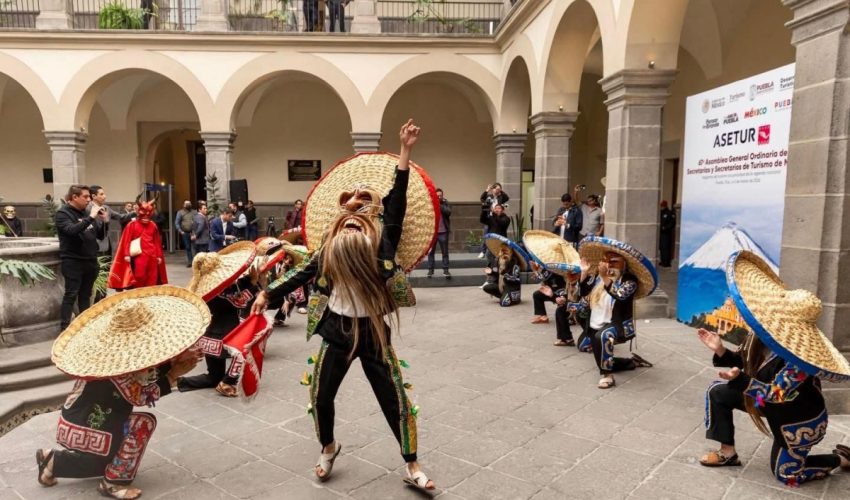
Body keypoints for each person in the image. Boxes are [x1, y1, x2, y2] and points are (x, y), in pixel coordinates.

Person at [250, 120, 436, 491]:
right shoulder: (329, 249)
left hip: (374, 332)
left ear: (374, 222)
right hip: (336, 330)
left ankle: (412, 464)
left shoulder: (383, 243)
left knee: (395, 399)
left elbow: (397, 202)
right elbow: (301, 272)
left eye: (363, 209)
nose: (354, 213)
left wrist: (405, 151)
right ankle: (328, 447)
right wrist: (266, 294)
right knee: (321, 396)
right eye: (347, 210)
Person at [35, 286, 208, 500]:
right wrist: (173, 374)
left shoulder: (114, 353)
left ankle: (51, 460)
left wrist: (174, 361)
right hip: (86, 424)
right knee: (142, 424)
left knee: (100, 462)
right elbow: (141, 396)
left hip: (84, 419)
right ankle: (113, 482)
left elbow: (145, 372)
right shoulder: (116, 366)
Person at [698, 250, 850, 485]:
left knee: (787, 475)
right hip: (765, 402)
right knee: (717, 392)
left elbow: (777, 394)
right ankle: (728, 453)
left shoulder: (800, 361)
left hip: (797, 419)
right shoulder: (760, 335)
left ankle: (840, 458)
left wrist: (740, 380)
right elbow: (743, 361)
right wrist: (720, 350)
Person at [179, 241, 258, 398]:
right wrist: (253, 284)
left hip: (209, 338)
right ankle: (228, 382)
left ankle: (178, 381)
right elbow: (239, 301)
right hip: (223, 337)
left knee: (213, 377)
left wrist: (249, 280)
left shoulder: (205, 285)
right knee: (246, 349)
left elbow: (235, 289)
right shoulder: (219, 289)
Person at [577, 236, 656, 389]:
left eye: (613, 261)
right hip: (595, 321)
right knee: (596, 354)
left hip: (617, 323)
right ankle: (631, 362)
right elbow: (583, 292)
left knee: (602, 337)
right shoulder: (598, 277)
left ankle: (607, 376)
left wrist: (605, 277)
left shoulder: (630, 280)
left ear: (624, 264)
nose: (608, 264)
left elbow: (620, 295)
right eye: (606, 261)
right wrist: (584, 273)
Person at [55, 185, 105, 330]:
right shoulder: (63, 213)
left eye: (89, 196)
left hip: (90, 261)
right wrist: (91, 217)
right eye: (85, 196)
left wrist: (103, 221)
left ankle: (85, 327)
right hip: (73, 261)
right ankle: (64, 329)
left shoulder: (86, 212)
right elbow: (71, 230)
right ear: (74, 197)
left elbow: (99, 235)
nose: (89, 200)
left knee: (85, 295)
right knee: (71, 295)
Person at [109, 195, 168, 290]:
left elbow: (156, 242)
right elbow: (127, 240)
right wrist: (126, 254)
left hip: (152, 254)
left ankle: (150, 294)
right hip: (139, 255)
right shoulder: (132, 225)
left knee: (152, 276)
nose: (145, 217)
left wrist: (158, 256)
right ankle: (138, 293)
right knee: (139, 275)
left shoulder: (153, 225)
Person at [481, 234, 526, 307]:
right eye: (502, 251)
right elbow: (499, 276)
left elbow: (514, 279)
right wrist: (491, 272)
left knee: (504, 303)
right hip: (502, 287)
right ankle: (503, 295)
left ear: (511, 252)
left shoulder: (515, 264)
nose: (503, 253)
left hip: (511, 288)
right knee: (487, 287)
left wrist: (504, 273)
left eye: (506, 251)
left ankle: (510, 298)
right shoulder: (500, 261)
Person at [88, 185, 123, 257]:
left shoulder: (106, 208)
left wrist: (135, 213)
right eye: (101, 194)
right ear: (94, 196)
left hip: (106, 244)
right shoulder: (87, 209)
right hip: (92, 246)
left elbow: (121, 217)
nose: (105, 196)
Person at [478, 183, 509, 258]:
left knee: (499, 233)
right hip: (490, 217)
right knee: (486, 233)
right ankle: (483, 251)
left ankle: (499, 251)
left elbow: (507, 198)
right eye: (496, 189)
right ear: (493, 189)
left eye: (499, 189)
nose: (497, 190)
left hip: (498, 217)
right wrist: (487, 190)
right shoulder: (489, 196)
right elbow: (482, 198)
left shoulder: (501, 197)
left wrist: (501, 190)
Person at [427, 188, 452, 279]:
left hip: (443, 232)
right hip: (432, 233)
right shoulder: (430, 204)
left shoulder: (445, 203)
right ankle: (430, 270)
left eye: (440, 196)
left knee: (445, 252)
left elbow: (448, 212)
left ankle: (446, 270)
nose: (439, 197)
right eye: (437, 196)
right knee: (431, 252)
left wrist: (439, 205)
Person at [175, 200, 196, 267]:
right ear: (183, 205)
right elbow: (177, 223)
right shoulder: (180, 212)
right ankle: (190, 261)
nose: (188, 205)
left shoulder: (194, 212)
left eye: (189, 203)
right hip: (185, 232)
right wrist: (180, 231)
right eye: (187, 204)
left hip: (194, 232)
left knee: (195, 247)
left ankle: (195, 262)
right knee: (188, 247)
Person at [659, 200, 676, 267]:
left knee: (666, 247)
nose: (661, 207)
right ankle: (662, 261)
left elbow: (672, 223)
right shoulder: (660, 213)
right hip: (660, 233)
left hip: (666, 233)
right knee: (661, 247)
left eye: (662, 206)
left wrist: (665, 228)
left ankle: (666, 263)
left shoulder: (670, 213)